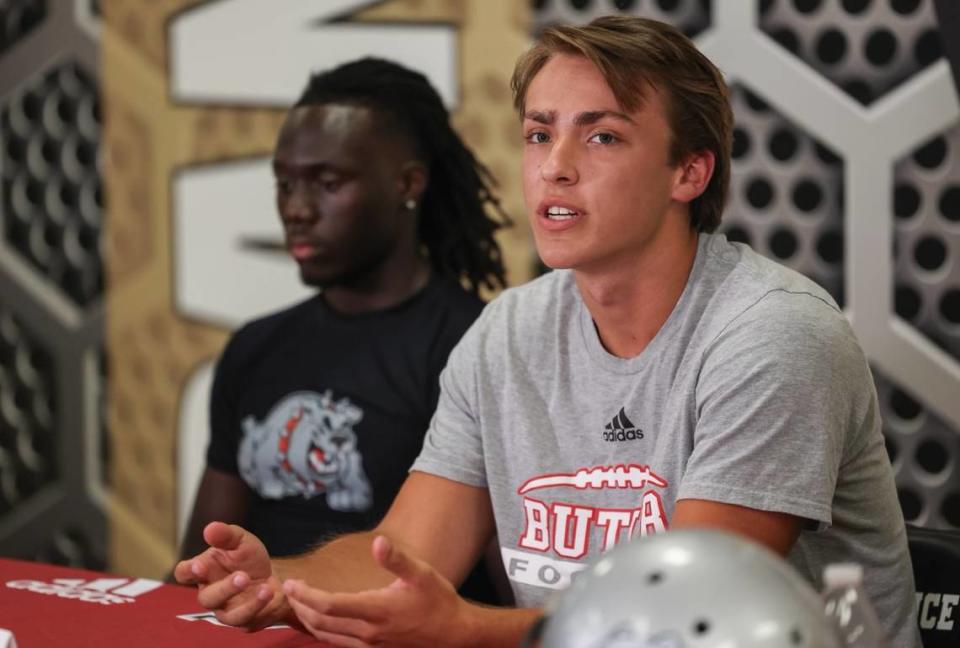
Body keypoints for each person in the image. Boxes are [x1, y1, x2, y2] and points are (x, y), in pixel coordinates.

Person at [175, 16, 920, 647]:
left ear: (689, 173)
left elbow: (689, 619)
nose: (554, 169)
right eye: (539, 135)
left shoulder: (773, 335)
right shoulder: (508, 333)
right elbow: (400, 555)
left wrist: (469, 629)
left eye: (601, 139)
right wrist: (281, 582)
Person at [176, 58, 511, 603]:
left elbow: (509, 593)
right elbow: (197, 565)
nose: (297, 209)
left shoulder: (475, 345)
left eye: (328, 183)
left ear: (408, 184)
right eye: (284, 183)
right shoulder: (256, 347)